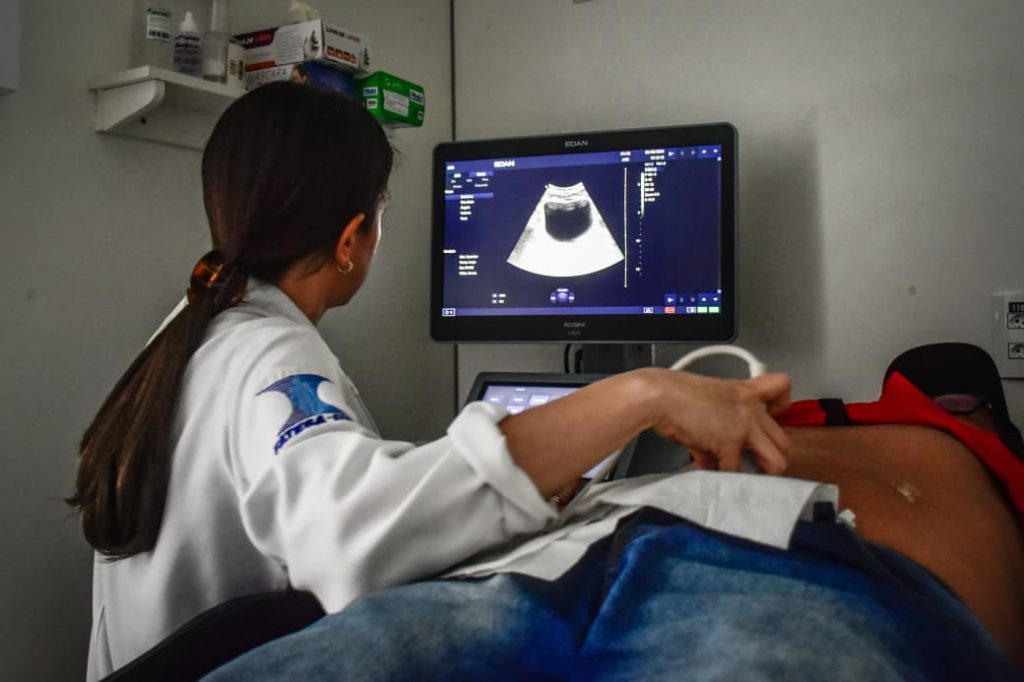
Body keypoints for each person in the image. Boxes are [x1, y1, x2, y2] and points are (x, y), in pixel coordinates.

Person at [68, 82, 794, 681]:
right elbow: (354, 537)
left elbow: (330, 500)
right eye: (380, 215)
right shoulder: (268, 356)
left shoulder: (194, 328)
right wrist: (647, 393)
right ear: (350, 241)